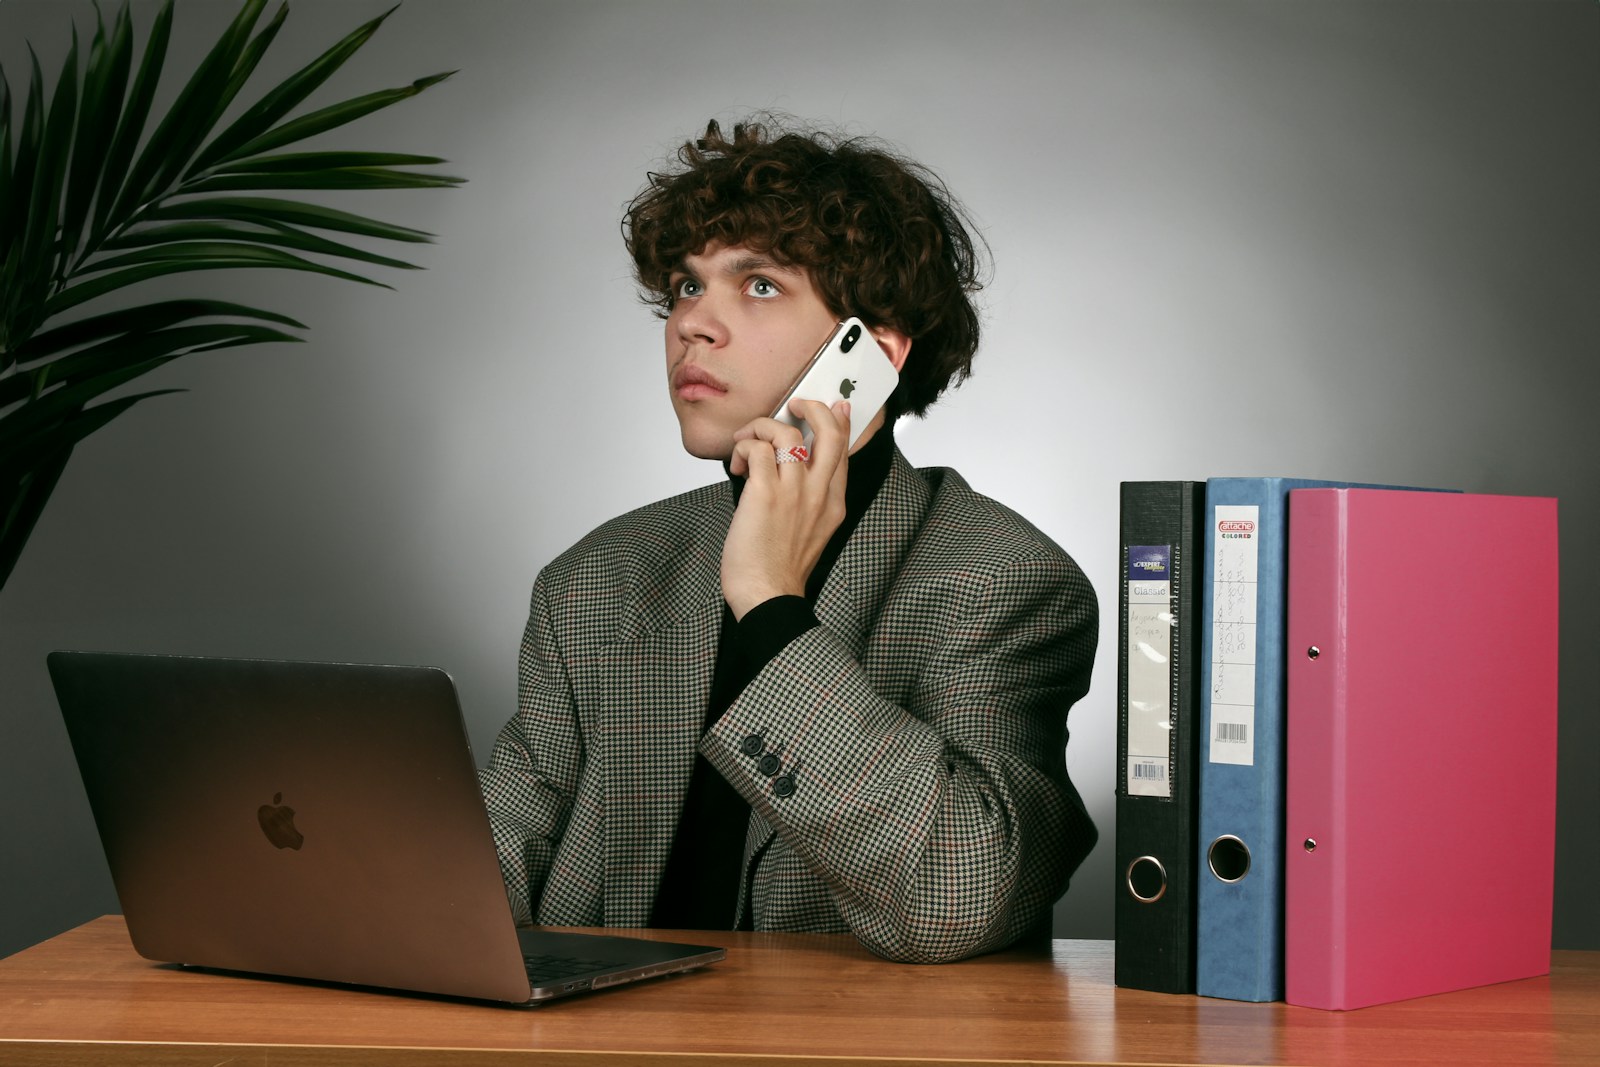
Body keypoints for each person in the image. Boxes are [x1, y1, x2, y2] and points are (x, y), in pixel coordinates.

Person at [478, 117, 1097, 964]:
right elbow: (490, 861)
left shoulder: (1004, 581)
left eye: (758, 285)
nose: (693, 323)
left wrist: (770, 603)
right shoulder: (598, 578)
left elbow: (961, 893)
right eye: (685, 287)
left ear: (871, 356)